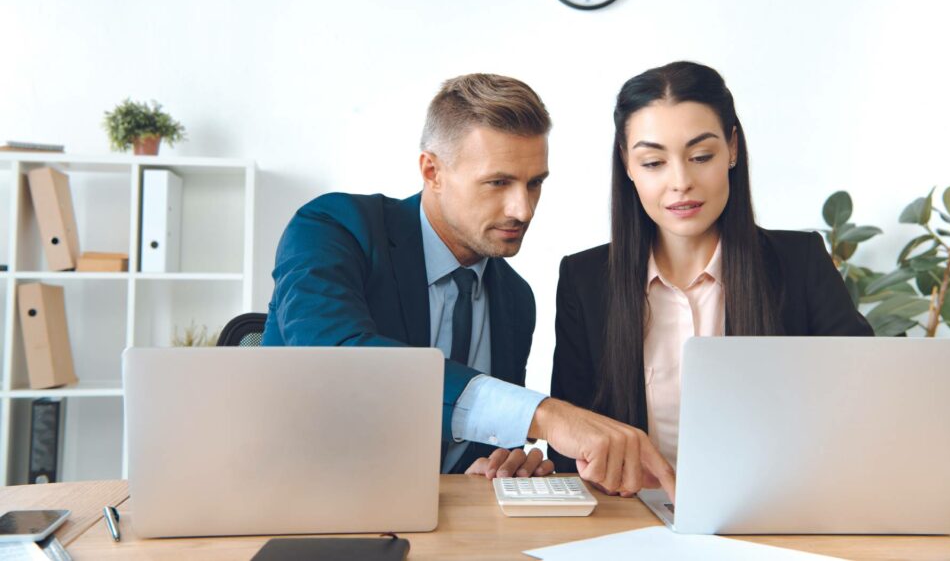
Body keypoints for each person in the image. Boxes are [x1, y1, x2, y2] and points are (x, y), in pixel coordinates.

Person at [262, 73, 676, 497]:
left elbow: (476, 435)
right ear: (432, 171)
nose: (523, 209)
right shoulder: (334, 229)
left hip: (435, 528)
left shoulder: (515, 299)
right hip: (297, 504)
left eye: (535, 183)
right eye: (498, 183)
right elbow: (334, 360)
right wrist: (546, 415)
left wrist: (494, 467)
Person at [549, 61, 873, 488]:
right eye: (653, 162)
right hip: (631, 526)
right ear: (626, 164)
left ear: (732, 148)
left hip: (772, 517)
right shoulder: (585, 280)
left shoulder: (801, 262)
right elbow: (565, 443)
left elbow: (864, 403)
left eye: (701, 156)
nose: (681, 182)